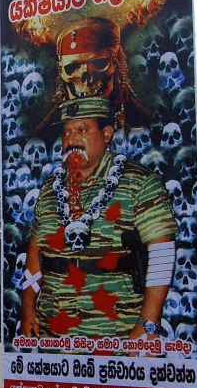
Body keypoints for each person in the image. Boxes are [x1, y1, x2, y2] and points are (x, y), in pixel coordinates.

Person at [21, 96, 177, 343]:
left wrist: (148, 321)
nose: (72, 140)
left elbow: (162, 252)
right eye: (67, 133)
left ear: (106, 134)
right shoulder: (50, 189)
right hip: (54, 328)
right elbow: (35, 251)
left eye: (82, 130)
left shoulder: (138, 182)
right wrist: (28, 307)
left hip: (117, 331)